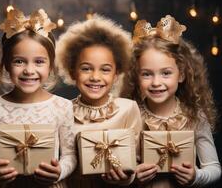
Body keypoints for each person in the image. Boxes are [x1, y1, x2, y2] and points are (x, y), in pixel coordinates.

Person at [0, 8, 76, 188]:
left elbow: (70, 155)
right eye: (19, 61)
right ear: (7, 64)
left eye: (39, 61)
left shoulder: (62, 107)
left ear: (50, 66)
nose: (29, 70)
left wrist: (60, 170)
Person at [121, 15, 221, 187]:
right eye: (147, 74)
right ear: (136, 76)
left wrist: (195, 176)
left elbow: (213, 167)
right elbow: (120, 169)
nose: (156, 82)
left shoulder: (195, 116)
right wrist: (133, 176)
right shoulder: (131, 116)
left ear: (181, 74)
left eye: (166, 73)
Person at [56, 15, 143, 187]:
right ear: (72, 72)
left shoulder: (128, 109)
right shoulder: (62, 110)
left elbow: (138, 162)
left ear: (116, 74)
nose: (95, 77)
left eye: (105, 69)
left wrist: (126, 178)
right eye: (86, 68)